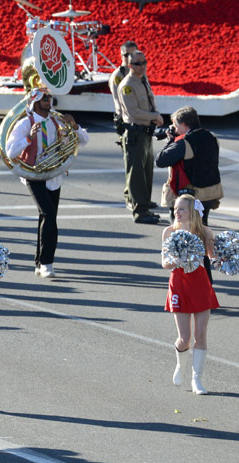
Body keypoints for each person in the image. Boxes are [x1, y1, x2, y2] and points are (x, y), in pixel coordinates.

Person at [4, 87, 89, 278]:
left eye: (49, 98)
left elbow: (84, 140)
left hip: (54, 175)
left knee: (47, 218)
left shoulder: (57, 120)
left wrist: (74, 127)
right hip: (33, 175)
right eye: (44, 99)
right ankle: (46, 263)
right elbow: (10, 152)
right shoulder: (26, 123)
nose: (48, 102)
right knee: (48, 214)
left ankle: (38, 262)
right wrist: (29, 138)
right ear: (35, 102)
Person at [155, 106, 223, 283]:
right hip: (209, 195)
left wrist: (171, 141)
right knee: (202, 237)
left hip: (190, 198)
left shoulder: (185, 141)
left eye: (176, 125)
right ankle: (206, 282)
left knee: (184, 242)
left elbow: (161, 160)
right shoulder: (211, 136)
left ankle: (191, 283)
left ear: (184, 124)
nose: (174, 129)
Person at [161, 195, 218, 395]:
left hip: (200, 284)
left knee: (201, 334)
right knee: (184, 338)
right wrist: (178, 258)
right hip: (179, 283)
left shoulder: (205, 232)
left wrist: (225, 251)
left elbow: (214, 258)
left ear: (192, 212)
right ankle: (180, 364)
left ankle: (197, 379)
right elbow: (165, 263)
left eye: (182, 209)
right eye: (176, 208)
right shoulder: (169, 232)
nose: (177, 212)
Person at [119, 50, 162, 224]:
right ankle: (140, 211)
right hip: (135, 132)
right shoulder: (127, 85)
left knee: (146, 172)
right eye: (137, 63)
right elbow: (134, 113)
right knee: (136, 174)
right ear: (130, 65)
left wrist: (153, 117)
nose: (142, 66)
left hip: (145, 132)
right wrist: (155, 116)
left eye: (144, 62)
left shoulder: (142, 80)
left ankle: (144, 205)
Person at [109, 40, 138, 157]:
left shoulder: (137, 73)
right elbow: (119, 102)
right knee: (133, 160)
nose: (130, 58)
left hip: (140, 120)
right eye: (126, 55)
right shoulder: (118, 76)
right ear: (121, 56)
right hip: (128, 122)